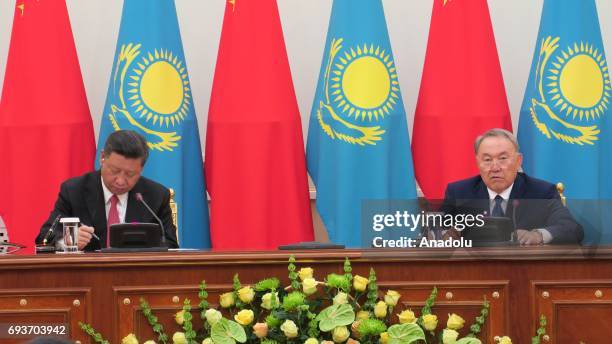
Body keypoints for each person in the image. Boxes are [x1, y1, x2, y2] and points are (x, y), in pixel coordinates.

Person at [36, 130, 178, 251]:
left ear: (141, 169)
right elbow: (44, 238)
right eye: (115, 171)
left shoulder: (156, 196)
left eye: (130, 174)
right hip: (87, 277)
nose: (121, 181)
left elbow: (171, 245)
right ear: (102, 157)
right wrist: (69, 241)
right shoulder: (74, 191)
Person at [442, 128, 583, 245]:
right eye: (487, 160)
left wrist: (538, 235)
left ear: (518, 161)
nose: (495, 167)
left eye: (503, 158)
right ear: (478, 162)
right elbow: (436, 231)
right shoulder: (459, 192)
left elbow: (572, 229)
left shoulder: (541, 192)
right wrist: (445, 235)